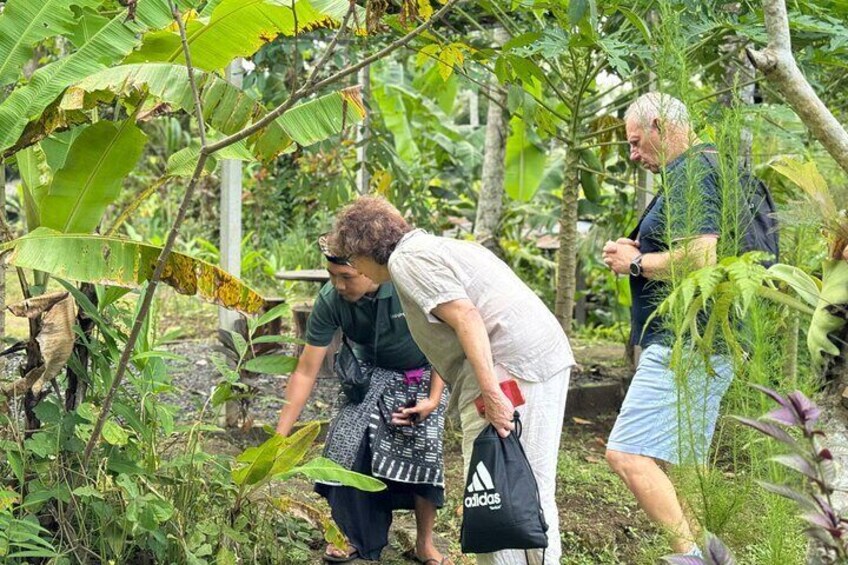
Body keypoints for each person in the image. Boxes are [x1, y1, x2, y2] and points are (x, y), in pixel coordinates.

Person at [330, 197, 575, 565]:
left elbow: (466, 317)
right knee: (528, 485)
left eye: (350, 260)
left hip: (510, 367)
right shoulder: (430, 246)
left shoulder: (406, 260)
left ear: (363, 252)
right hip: (535, 358)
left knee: (493, 488)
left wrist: (491, 394)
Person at [601, 92, 734, 556]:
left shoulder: (696, 171)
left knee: (626, 453)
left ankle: (690, 556)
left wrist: (635, 264)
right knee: (680, 465)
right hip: (701, 339)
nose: (634, 154)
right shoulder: (695, 169)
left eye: (636, 142)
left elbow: (702, 257)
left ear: (659, 125)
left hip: (687, 340)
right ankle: (707, 554)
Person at [275, 236, 451, 564]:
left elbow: (444, 342)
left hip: (424, 374)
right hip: (368, 376)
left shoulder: (406, 287)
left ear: (371, 270)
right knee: (345, 441)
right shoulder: (330, 299)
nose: (338, 285)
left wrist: (432, 400)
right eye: (332, 275)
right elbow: (305, 371)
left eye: (346, 277)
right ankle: (354, 536)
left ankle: (425, 542)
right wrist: (278, 438)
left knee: (424, 449)